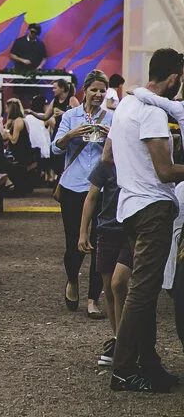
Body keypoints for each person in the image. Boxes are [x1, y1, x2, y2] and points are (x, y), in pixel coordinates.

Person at [107, 47, 184, 392]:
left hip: (129, 206)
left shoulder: (125, 106)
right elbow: (166, 172)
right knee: (142, 292)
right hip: (153, 208)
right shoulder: (152, 112)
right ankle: (123, 368)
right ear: (172, 79)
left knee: (146, 291)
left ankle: (148, 364)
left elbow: (108, 155)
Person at [54, 70, 113, 314]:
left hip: (102, 188)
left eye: (102, 90)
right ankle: (72, 281)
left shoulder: (112, 118)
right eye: (94, 90)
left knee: (101, 242)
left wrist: (112, 138)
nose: (98, 94)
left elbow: (122, 152)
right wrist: (71, 135)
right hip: (73, 186)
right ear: (85, 91)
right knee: (73, 242)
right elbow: (56, 149)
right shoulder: (70, 115)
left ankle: (93, 300)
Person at [81, 153, 132, 367]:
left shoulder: (136, 158)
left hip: (130, 229)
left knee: (118, 284)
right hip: (106, 229)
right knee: (109, 290)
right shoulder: (106, 163)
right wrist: (83, 232)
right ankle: (119, 339)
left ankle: (126, 343)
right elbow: (91, 196)